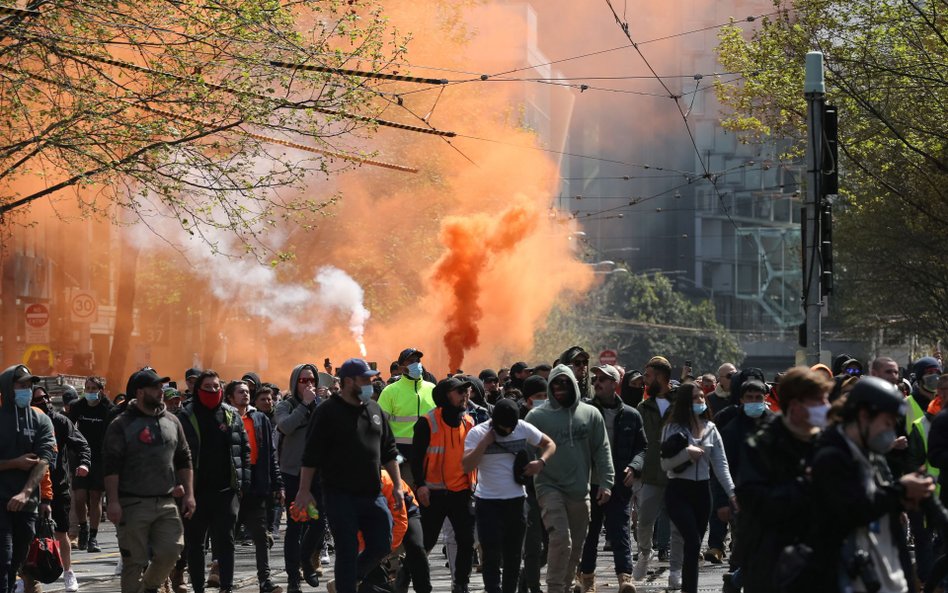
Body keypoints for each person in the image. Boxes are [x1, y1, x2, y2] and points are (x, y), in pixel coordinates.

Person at [809, 376, 934, 593]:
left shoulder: (871, 455)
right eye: (886, 423)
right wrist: (899, 491)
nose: (890, 432)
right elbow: (850, 511)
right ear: (864, 416)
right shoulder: (830, 457)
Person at [295, 358, 403, 593]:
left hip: (373, 495)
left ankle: (350, 579)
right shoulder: (326, 412)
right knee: (346, 548)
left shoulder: (375, 410)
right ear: (347, 382)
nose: (369, 384)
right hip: (339, 495)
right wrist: (304, 490)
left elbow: (389, 451)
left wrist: (397, 486)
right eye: (364, 379)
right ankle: (347, 585)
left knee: (383, 543)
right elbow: (310, 456)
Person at [731, 366, 831, 593]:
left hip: (817, 558)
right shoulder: (763, 444)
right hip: (771, 560)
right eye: (819, 401)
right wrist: (805, 485)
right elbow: (754, 500)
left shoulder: (825, 443)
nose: (826, 408)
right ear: (795, 407)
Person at [103, 368, 196, 593]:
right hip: (132, 503)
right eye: (155, 387)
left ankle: (150, 587)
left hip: (166, 502)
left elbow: (184, 458)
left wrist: (190, 495)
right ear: (140, 392)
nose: (160, 391)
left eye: (161, 387)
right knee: (134, 561)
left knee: (173, 549)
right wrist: (113, 501)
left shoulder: (172, 421)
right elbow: (111, 465)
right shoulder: (121, 424)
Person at [525, 364, 613, 593]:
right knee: (560, 539)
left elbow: (602, 449)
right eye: (555, 383)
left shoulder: (590, 413)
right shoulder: (536, 416)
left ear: (574, 384)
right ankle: (554, 587)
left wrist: (606, 482)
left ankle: (564, 586)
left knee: (576, 546)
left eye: (565, 383)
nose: (560, 388)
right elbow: (523, 451)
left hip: (580, 490)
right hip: (548, 486)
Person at [463, 399, 555, 593]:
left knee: (513, 555)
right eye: (502, 428)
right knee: (491, 555)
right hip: (487, 502)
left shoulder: (523, 428)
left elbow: (549, 444)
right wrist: (484, 443)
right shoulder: (478, 433)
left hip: (516, 501)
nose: (507, 431)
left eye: (510, 428)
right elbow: (467, 466)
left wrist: (541, 462)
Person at [659, 381, 736, 593]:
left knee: (694, 548)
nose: (700, 400)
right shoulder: (671, 428)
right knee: (691, 541)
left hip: (702, 493)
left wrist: (732, 493)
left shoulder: (711, 429)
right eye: (695, 397)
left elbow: (721, 465)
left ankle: (689, 588)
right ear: (685, 401)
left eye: (702, 396)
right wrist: (686, 454)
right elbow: (665, 464)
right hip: (678, 491)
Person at [179, 370, 251, 593]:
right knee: (195, 544)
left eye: (216, 386)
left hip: (226, 491)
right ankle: (198, 587)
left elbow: (244, 451)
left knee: (226, 541)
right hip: (196, 492)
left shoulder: (231, 415)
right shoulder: (185, 416)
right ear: (197, 389)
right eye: (207, 386)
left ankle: (226, 587)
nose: (212, 390)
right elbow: (175, 453)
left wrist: (242, 484)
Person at [578, 364, 646, 593]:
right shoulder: (585, 411)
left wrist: (634, 467)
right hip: (591, 482)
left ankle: (625, 579)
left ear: (615, 384)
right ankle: (587, 580)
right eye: (596, 378)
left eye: (604, 379)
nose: (597, 382)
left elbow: (642, 448)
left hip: (619, 483)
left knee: (620, 532)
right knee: (589, 533)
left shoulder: (631, 414)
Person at [410, 377, 476, 593]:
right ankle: (404, 576)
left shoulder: (469, 423)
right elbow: (417, 458)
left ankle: (461, 584)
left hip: (462, 493)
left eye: (466, 391)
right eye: (459, 392)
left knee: (466, 541)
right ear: (445, 397)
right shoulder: (427, 423)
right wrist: (420, 485)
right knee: (425, 543)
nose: (465, 395)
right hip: (434, 494)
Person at [0, 366, 56, 593]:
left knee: (18, 560)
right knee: (3, 557)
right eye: (21, 385)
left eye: (29, 385)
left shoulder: (41, 419)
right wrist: (14, 463)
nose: (27, 390)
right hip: (1, 501)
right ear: (7, 388)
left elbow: (45, 459)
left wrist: (29, 494)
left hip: (28, 504)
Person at [30, 386, 91, 593]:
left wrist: (84, 463)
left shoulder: (60, 421)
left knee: (60, 531)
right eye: (38, 399)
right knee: (28, 535)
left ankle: (68, 572)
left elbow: (82, 445)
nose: (43, 401)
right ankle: (29, 579)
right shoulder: (22, 423)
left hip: (58, 486)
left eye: (45, 397)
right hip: (29, 488)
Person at [225, 381, 284, 593]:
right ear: (230, 397)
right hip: (232, 488)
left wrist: (278, 484)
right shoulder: (225, 418)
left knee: (261, 535)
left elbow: (270, 455)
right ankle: (226, 583)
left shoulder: (259, 419)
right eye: (240, 392)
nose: (245, 395)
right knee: (227, 537)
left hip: (257, 486)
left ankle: (265, 581)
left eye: (247, 392)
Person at [707, 380, 772, 571]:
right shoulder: (731, 431)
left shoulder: (776, 425)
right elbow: (721, 468)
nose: (754, 402)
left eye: (758, 398)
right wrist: (721, 503)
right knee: (743, 546)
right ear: (741, 400)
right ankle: (735, 579)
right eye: (749, 398)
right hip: (739, 498)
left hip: (770, 498)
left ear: (765, 398)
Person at [274, 363, 327, 593]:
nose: (308, 384)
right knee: (295, 526)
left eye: (312, 380)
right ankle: (293, 578)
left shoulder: (322, 406)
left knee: (318, 523)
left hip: (318, 475)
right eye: (303, 380)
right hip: (293, 474)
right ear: (295, 382)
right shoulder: (286, 405)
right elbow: (285, 427)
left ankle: (306, 560)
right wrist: (304, 404)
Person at [633, 356, 676, 581]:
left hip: (678, 473)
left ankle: (676, 568)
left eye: (648, 376)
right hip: (651, 473)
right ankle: (644, 554)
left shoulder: (680, 403)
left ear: (660, 377)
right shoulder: (643, 406)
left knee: (677, 522)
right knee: (645, 520)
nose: (645, 380)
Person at [68, 375, 114, 553]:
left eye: (94, 389)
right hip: (80, 455)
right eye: (88, 388)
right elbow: (69, 428)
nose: (91, 392)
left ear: (101, 390)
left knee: (95, 496)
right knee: (79, 497)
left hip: (100, 457)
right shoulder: (78, 407)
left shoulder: (108, 409)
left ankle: (93, 537)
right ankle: (83, 528)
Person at [378, 348, 436, 488]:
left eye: (417, 361)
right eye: (410, 361)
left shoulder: (432, 389)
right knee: (405, 498)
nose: (416, 364)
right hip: (401, 459)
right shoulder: (390, 391)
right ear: (401, 367)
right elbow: (379, 427)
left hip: (429, 456)